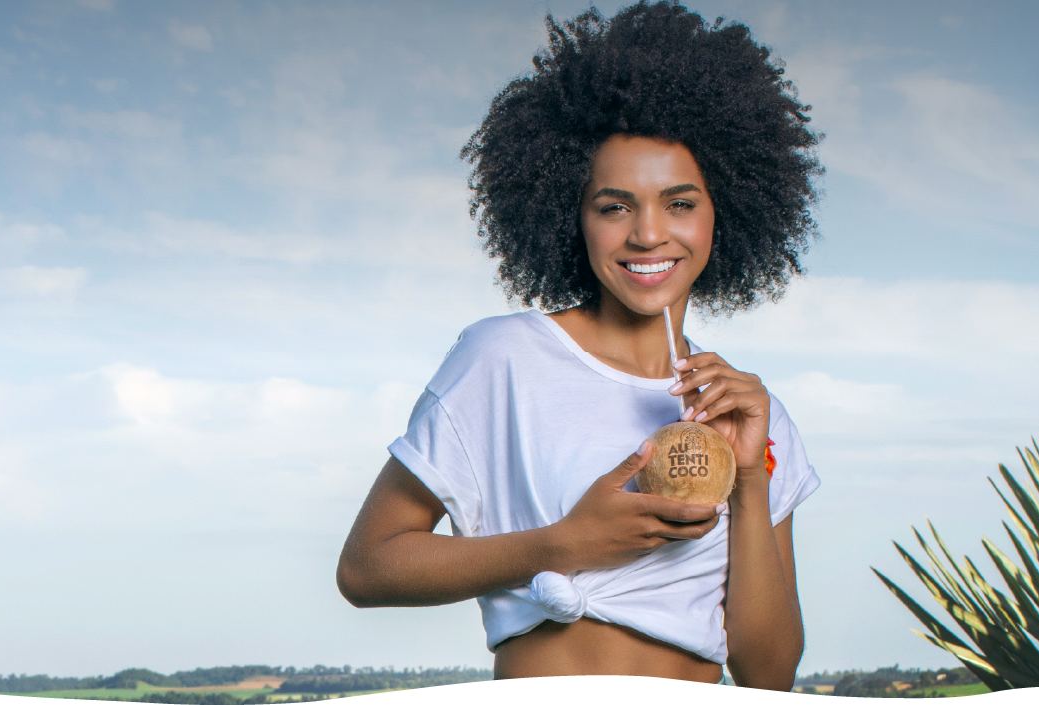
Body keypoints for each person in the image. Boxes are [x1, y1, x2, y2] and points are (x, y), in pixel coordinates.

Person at [335, 1, 822, 691]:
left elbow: (768, 674)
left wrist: (749, 475)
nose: (649, 233)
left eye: (680, 203)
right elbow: (366, 566)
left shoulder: (751, 413)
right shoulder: (503, 360)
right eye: (614, 205)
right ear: (573, 214)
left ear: (726, 212)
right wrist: (565, 543)